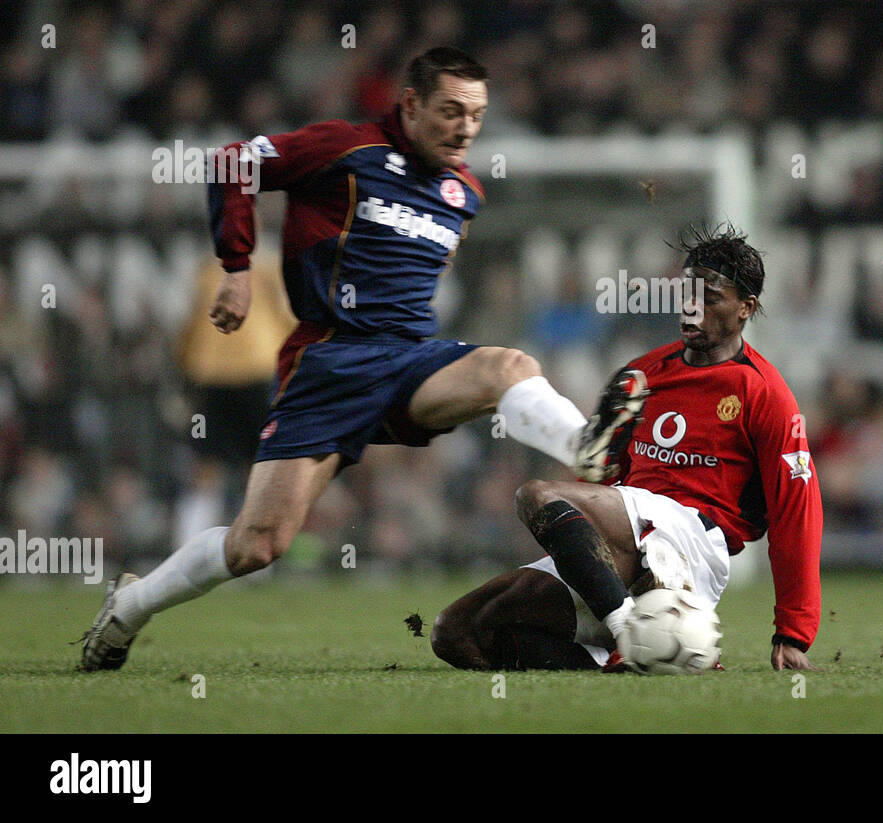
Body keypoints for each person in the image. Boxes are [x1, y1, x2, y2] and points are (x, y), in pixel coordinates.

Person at [80, 47, 644, 671]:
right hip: (330, 364)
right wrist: (238, 268)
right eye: (451, 111)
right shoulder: (345, 149)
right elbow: (232, 163)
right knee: (257, 545)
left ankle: (588, 451)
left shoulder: (465, 193)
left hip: (409, 362)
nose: (466, 128)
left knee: (508, 367)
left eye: (477, 115)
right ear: (410, 104)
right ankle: (130, 607)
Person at [431, 226, 823, 672]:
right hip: (624, 542)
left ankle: (632, 633)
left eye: (710, 298)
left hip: (692, 541)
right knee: (458, 634)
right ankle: (643, 652)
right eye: (687, 293)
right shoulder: (643, 373)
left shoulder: (764, 392)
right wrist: (595, 470)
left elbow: (798, 509)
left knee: (537, 495)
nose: (693, 308)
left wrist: (794, 630)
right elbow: (602, 480)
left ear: (745, 308)